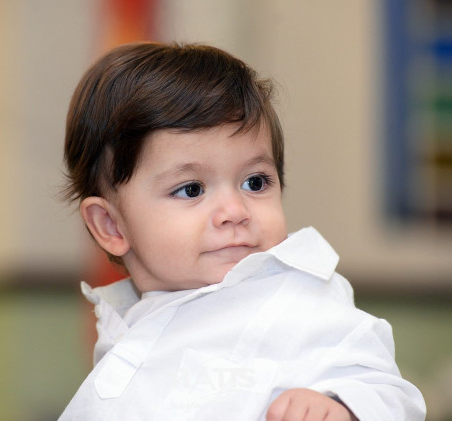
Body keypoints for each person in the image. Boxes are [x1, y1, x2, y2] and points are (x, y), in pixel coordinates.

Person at [58, 42, 426, 421]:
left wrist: (342, 406)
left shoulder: (299, 297)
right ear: (111, 225)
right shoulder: (125, 336)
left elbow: (389, 394)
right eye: (192, 189)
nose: (234, 212)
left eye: (255, 182)